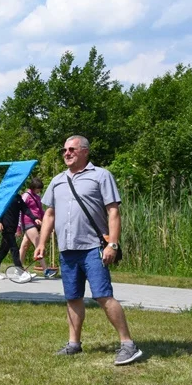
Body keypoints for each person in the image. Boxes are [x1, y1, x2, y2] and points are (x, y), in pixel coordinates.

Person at [34, 135, 143, 366]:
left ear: (84, 151)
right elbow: (49, 214)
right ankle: (74, 344)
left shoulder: (101, 176)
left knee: (103, 295)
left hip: (93, 247)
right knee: (72, 297)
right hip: (67, 249)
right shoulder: (58, 180)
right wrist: (41, 243)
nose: (66, 153)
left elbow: (113, 211)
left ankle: (128, 344)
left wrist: (112, 244)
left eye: (71, 149)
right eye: (64, 150)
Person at [0, 187, 41, 282]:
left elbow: (25, 209)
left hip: (12, 227)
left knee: (4, 249)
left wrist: (34, 218)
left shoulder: (17, 197)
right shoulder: (4, 196)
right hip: (5, 226)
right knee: (14, 248)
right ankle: (21, 272)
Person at [18, 177, 48, 276]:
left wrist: (45, 221)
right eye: (37, 188)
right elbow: (20, 210)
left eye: (40, 188)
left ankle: (18, 268)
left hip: (36, 223)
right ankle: (46, 270)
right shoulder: (26, 195)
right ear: (33, 187)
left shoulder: (37, 197)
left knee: (24, 246)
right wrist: (18, 227)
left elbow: (40, 210)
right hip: (28, 222)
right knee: (38, 244)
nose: (39, 190)